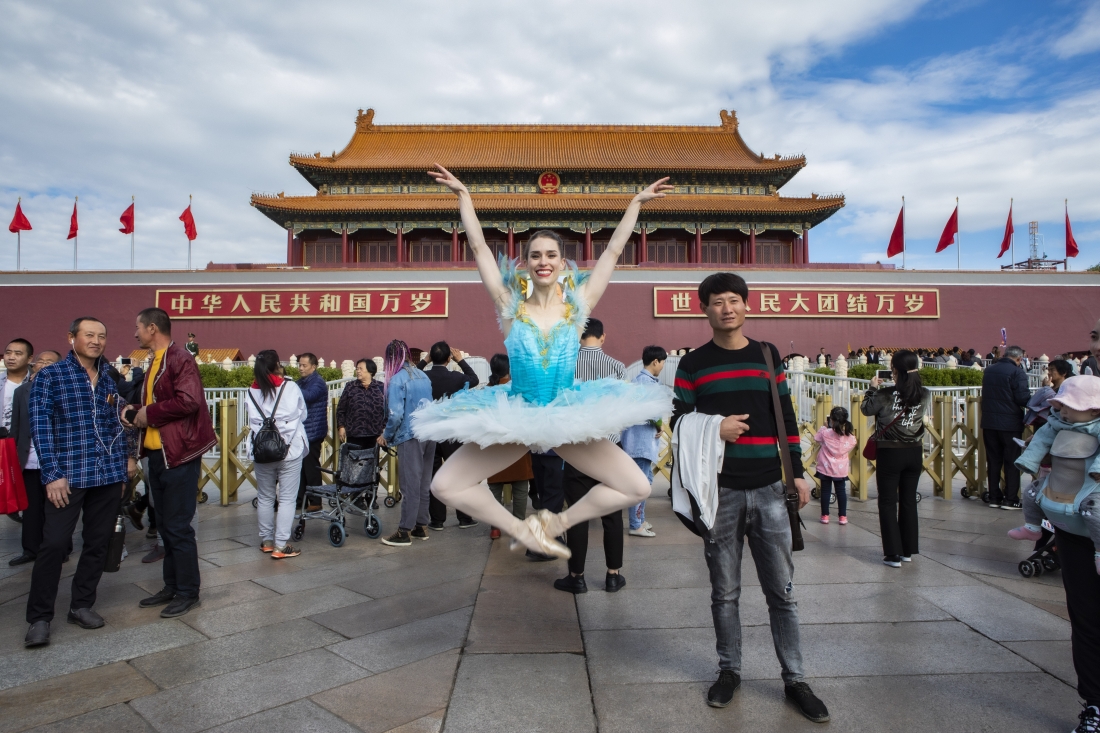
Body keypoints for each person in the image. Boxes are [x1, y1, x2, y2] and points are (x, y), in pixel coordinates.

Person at [417, 164, 671, 560]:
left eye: (551, 254)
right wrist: (464, 197)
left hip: (567, 412)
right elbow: (480, 248)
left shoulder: (579, 307)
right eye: (535, 255)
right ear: (526, 264)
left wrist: (635, 204)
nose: (543, 261)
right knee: (445, 485)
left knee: (636, 486)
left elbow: (612, 251)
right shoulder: (509, 307)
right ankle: (523, 529)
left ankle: (557, 523)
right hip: (517, 413)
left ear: (562, 263)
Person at [670, 272, 826, 721]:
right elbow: (677, 420)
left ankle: (795, 679)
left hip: (770, 489)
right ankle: (729, 670)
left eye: (734, 300)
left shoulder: (766, 354)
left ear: (746, 305)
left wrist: (797, 474)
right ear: (705, 309)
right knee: (725, 592)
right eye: (717, 301)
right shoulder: (694, 363)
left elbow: (786, 416)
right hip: (720, 492)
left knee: (783, 591)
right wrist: (714, 428)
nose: (727, 308)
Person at [24, 318, 137, 648]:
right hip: (68, 475)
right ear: (71, 337)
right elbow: (40, 428)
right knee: (55, 544)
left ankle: (81, 605)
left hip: (106, 474)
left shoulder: (109, 378)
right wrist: (52, 474)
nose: (96, 341)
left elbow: (119, 421)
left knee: (98, 542)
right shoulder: (51, 375)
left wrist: (126, 461)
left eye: (102, 336)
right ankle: (40, 617)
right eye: (89, 335)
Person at [1008, 375, 1100, 733]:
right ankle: (1094, 704)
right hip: (1073, 530)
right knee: (1087, 621)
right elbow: (1040, 445)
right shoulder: (1059, 422)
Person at [125, 307, 217, 617]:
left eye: (138, 327)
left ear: (152, 328)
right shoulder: (155, 362)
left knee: (178, 527)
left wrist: (148, 414)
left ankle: (188, 592)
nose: (135, 333)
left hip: (179, 454)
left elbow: (189, 401)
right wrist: (135, 410)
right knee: (164, 526)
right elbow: (156, 402)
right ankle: (172, 586)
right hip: (158, 453)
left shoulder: (180, 358)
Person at [555, 318, 631, 593]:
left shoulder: (565, 366)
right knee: (612, 515)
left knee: (577, 514)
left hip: (576, 450)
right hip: (609, 449)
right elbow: (624, 411)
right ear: (603, 337)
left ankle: (577, 578)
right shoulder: (616, 367)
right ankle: (613, 575)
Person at [861, 350, 931, 567]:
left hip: (890, 452)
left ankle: (892, 553)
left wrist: (872, 388)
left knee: (888, 501)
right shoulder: (925, 393)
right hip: (914, 452)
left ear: (895, 370)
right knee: (909, 501)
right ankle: (907, 551)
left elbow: (866, 409)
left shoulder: (885, 394)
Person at [246, 350, 308, 559]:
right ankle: (281, 545)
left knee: (265, 496)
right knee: (288, 499)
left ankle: (266, 541)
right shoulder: (290, 386)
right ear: (277, 367)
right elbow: (303, 413)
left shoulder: (251, 391)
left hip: (262, 451)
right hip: (289, 450)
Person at [379, 339, 436, 547]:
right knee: (423, 482)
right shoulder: (423, 376)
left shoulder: (396, 380)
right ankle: (421, 525)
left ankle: (404, 530)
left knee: (410, 484)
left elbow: (395, 415)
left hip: (410, 435)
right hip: (429, 434)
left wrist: (386, 435)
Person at [8, 350, 61, 566]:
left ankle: (60, 549)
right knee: (30, 508)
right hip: (28, 459)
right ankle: (30, 549)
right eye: (41, 361)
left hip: (55, 460)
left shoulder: (63, 390)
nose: (44, 365)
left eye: (51, 362)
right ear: (34, 364)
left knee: (57, 506)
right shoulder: (22, 391)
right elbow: (16, 427)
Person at [418, 341, 479, 530]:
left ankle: (437, 520)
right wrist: (461, 360)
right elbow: (474, 379)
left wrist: (424, 361)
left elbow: (410, 376)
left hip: (429, 432)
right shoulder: (456, 378)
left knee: (433, 475)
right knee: (458, 474)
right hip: (452, 432)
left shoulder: (423, 377)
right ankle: (464, 518)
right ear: (448, 358)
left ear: (430, 358)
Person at [620, 345, 667, 538]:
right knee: (640, 485)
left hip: (636, 442)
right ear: (655, 361)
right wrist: (659, 425)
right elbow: (650, 412)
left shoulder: (638, 381)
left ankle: (639, 520)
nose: (663, 366)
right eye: (663, 362)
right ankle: (635, 524)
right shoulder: (648, 384)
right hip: (641, 443)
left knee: (644, 482)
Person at [485, 353, 533, 540]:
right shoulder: (518, 390)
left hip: (495, 445)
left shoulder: (487, 391)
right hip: (517, 443)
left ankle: (495, 527)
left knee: (495, 488)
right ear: (510, 370)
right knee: (520, 486)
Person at [981, 345, 1031, 509]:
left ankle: (994, 497)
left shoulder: (989, 370)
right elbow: (1023, 398)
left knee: (993, 460)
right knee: (1011, 461)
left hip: (989, 422)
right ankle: (1010, 499)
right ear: (1019, 359)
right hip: (1010, 424)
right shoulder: (1018, 372)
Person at [294, 353, 328, 513]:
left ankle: (316, 500)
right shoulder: (300, 382)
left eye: (304, 365)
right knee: (300, 468)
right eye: (299, 365)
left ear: (313, 367)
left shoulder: (318, 383)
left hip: (313, 431)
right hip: (303, 431)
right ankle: (300, 499)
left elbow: (309, 396)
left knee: (311, 467)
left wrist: (290, 389)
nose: (300, 368)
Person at [813, 406, 857, 525]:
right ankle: (842, 517)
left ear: (831, 420)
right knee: (841, 492)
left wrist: (823, 427)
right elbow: (854, 441)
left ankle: (825, 516)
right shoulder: (849, 437)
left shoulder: (826, 433)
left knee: (826, 491)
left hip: (825, 467)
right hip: (840, 469)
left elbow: (816, 438)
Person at [337, 358, 386, 450]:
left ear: (370, 371)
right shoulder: (350, 386)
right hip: (355, 433)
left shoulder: (380, 387)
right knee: (354, 461)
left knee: (371, 462)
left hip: (375, 433)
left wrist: (385, 428)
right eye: (357, 369)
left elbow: (387, 409)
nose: (358, 371)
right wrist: (341, 426)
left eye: (361, 369)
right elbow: (341, 409)